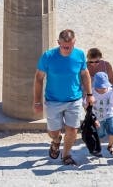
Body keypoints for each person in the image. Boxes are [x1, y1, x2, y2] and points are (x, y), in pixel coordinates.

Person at [33, 29, 87, 166]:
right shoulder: (48, 56)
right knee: (53, 131)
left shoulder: (80, 55)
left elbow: (84, 74)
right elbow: (39, 78)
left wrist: (90, 94)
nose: (67, 49)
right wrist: (37, 101)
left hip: (74, 99)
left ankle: (66, 154)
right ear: (58, 43)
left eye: (70, 46)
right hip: (53, 101)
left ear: (74, 42)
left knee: (73, 130)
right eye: (64, 46)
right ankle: (56, 141)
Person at [87, 72, 113, 158]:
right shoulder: (92, 92)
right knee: (100, 134)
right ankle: (97, 148)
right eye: (99, 87)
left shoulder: (112, 91)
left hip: (110, 115)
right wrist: (93, 119)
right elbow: (86, 105)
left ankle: (110, 146)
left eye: (103, 87)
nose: (101, 89)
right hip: (97, 117)